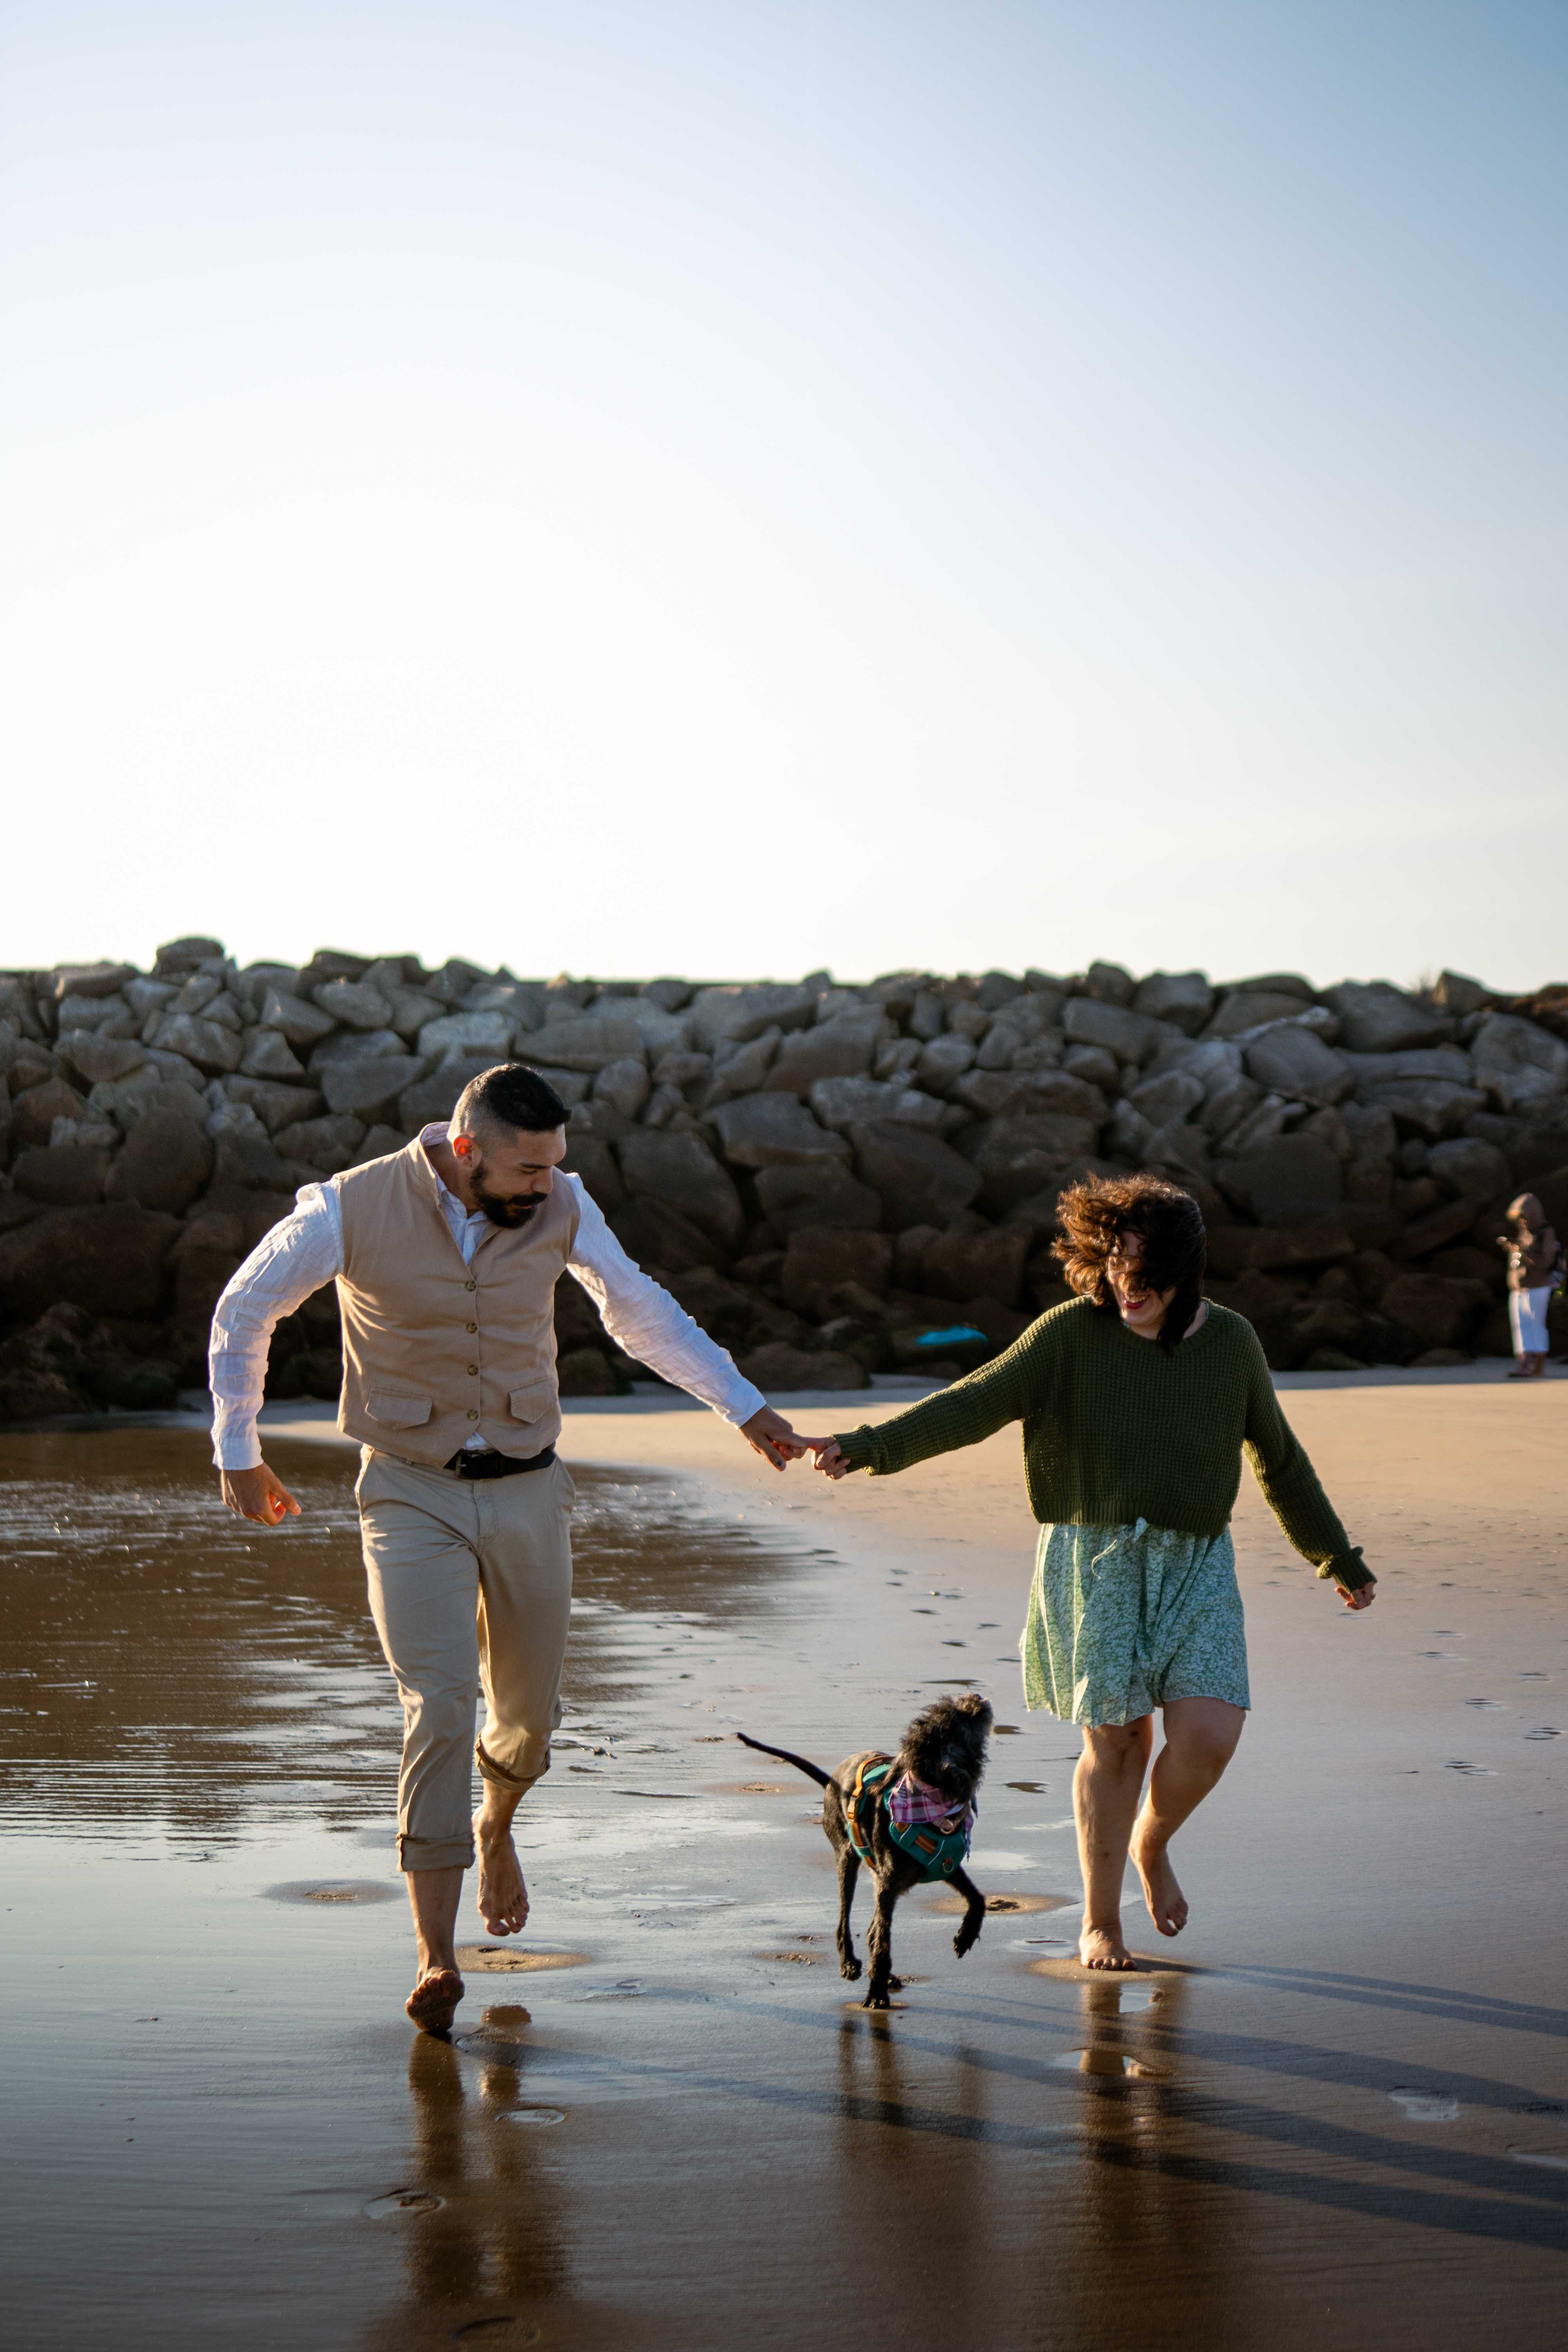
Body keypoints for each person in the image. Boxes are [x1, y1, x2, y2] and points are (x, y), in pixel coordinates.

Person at [209, 1061, 807, 2032]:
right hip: (408, 1490)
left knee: (526, 1717)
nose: (548, 1183)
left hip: (531, 1487)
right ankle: (435, 1957)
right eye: (529, 1168)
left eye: (556, 1165)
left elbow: (637, 1307)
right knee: (440, 1705)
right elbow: (245, 1308)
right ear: (464, 1149)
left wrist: (744, 1407)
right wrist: (239, 1451)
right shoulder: (345, 1209)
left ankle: (497, 1825)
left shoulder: (563, 1203)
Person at [804, 1172, 1375, 1973]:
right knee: (1116, 1746)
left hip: (1194, 1567)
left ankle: (1152, 1841)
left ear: (1183, 1271)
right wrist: (867, 1448)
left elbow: (1277, 1459)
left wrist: (1334, 1556)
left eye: (1145, 1276)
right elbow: (972, 1403)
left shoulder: (1231, 1343)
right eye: (1114, 1267)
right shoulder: (1069, 1334)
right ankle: (1100, 1922)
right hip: (1092, 1564)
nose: (1126, 1288)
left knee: (1209, 1736)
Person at [1496, 1192, 1562, 1380]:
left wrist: (1523, 1252)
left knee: (1536, 1325)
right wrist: (1514, 1248)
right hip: (1519, 1286)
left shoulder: (1545, 1232)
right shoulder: (1524, 1233)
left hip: (1538, 1285)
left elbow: (1545, 1262)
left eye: (1524, 1218)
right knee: (1520, 1326)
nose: (1522, 1222)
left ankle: (1537, 1365)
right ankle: (1524, 1363)